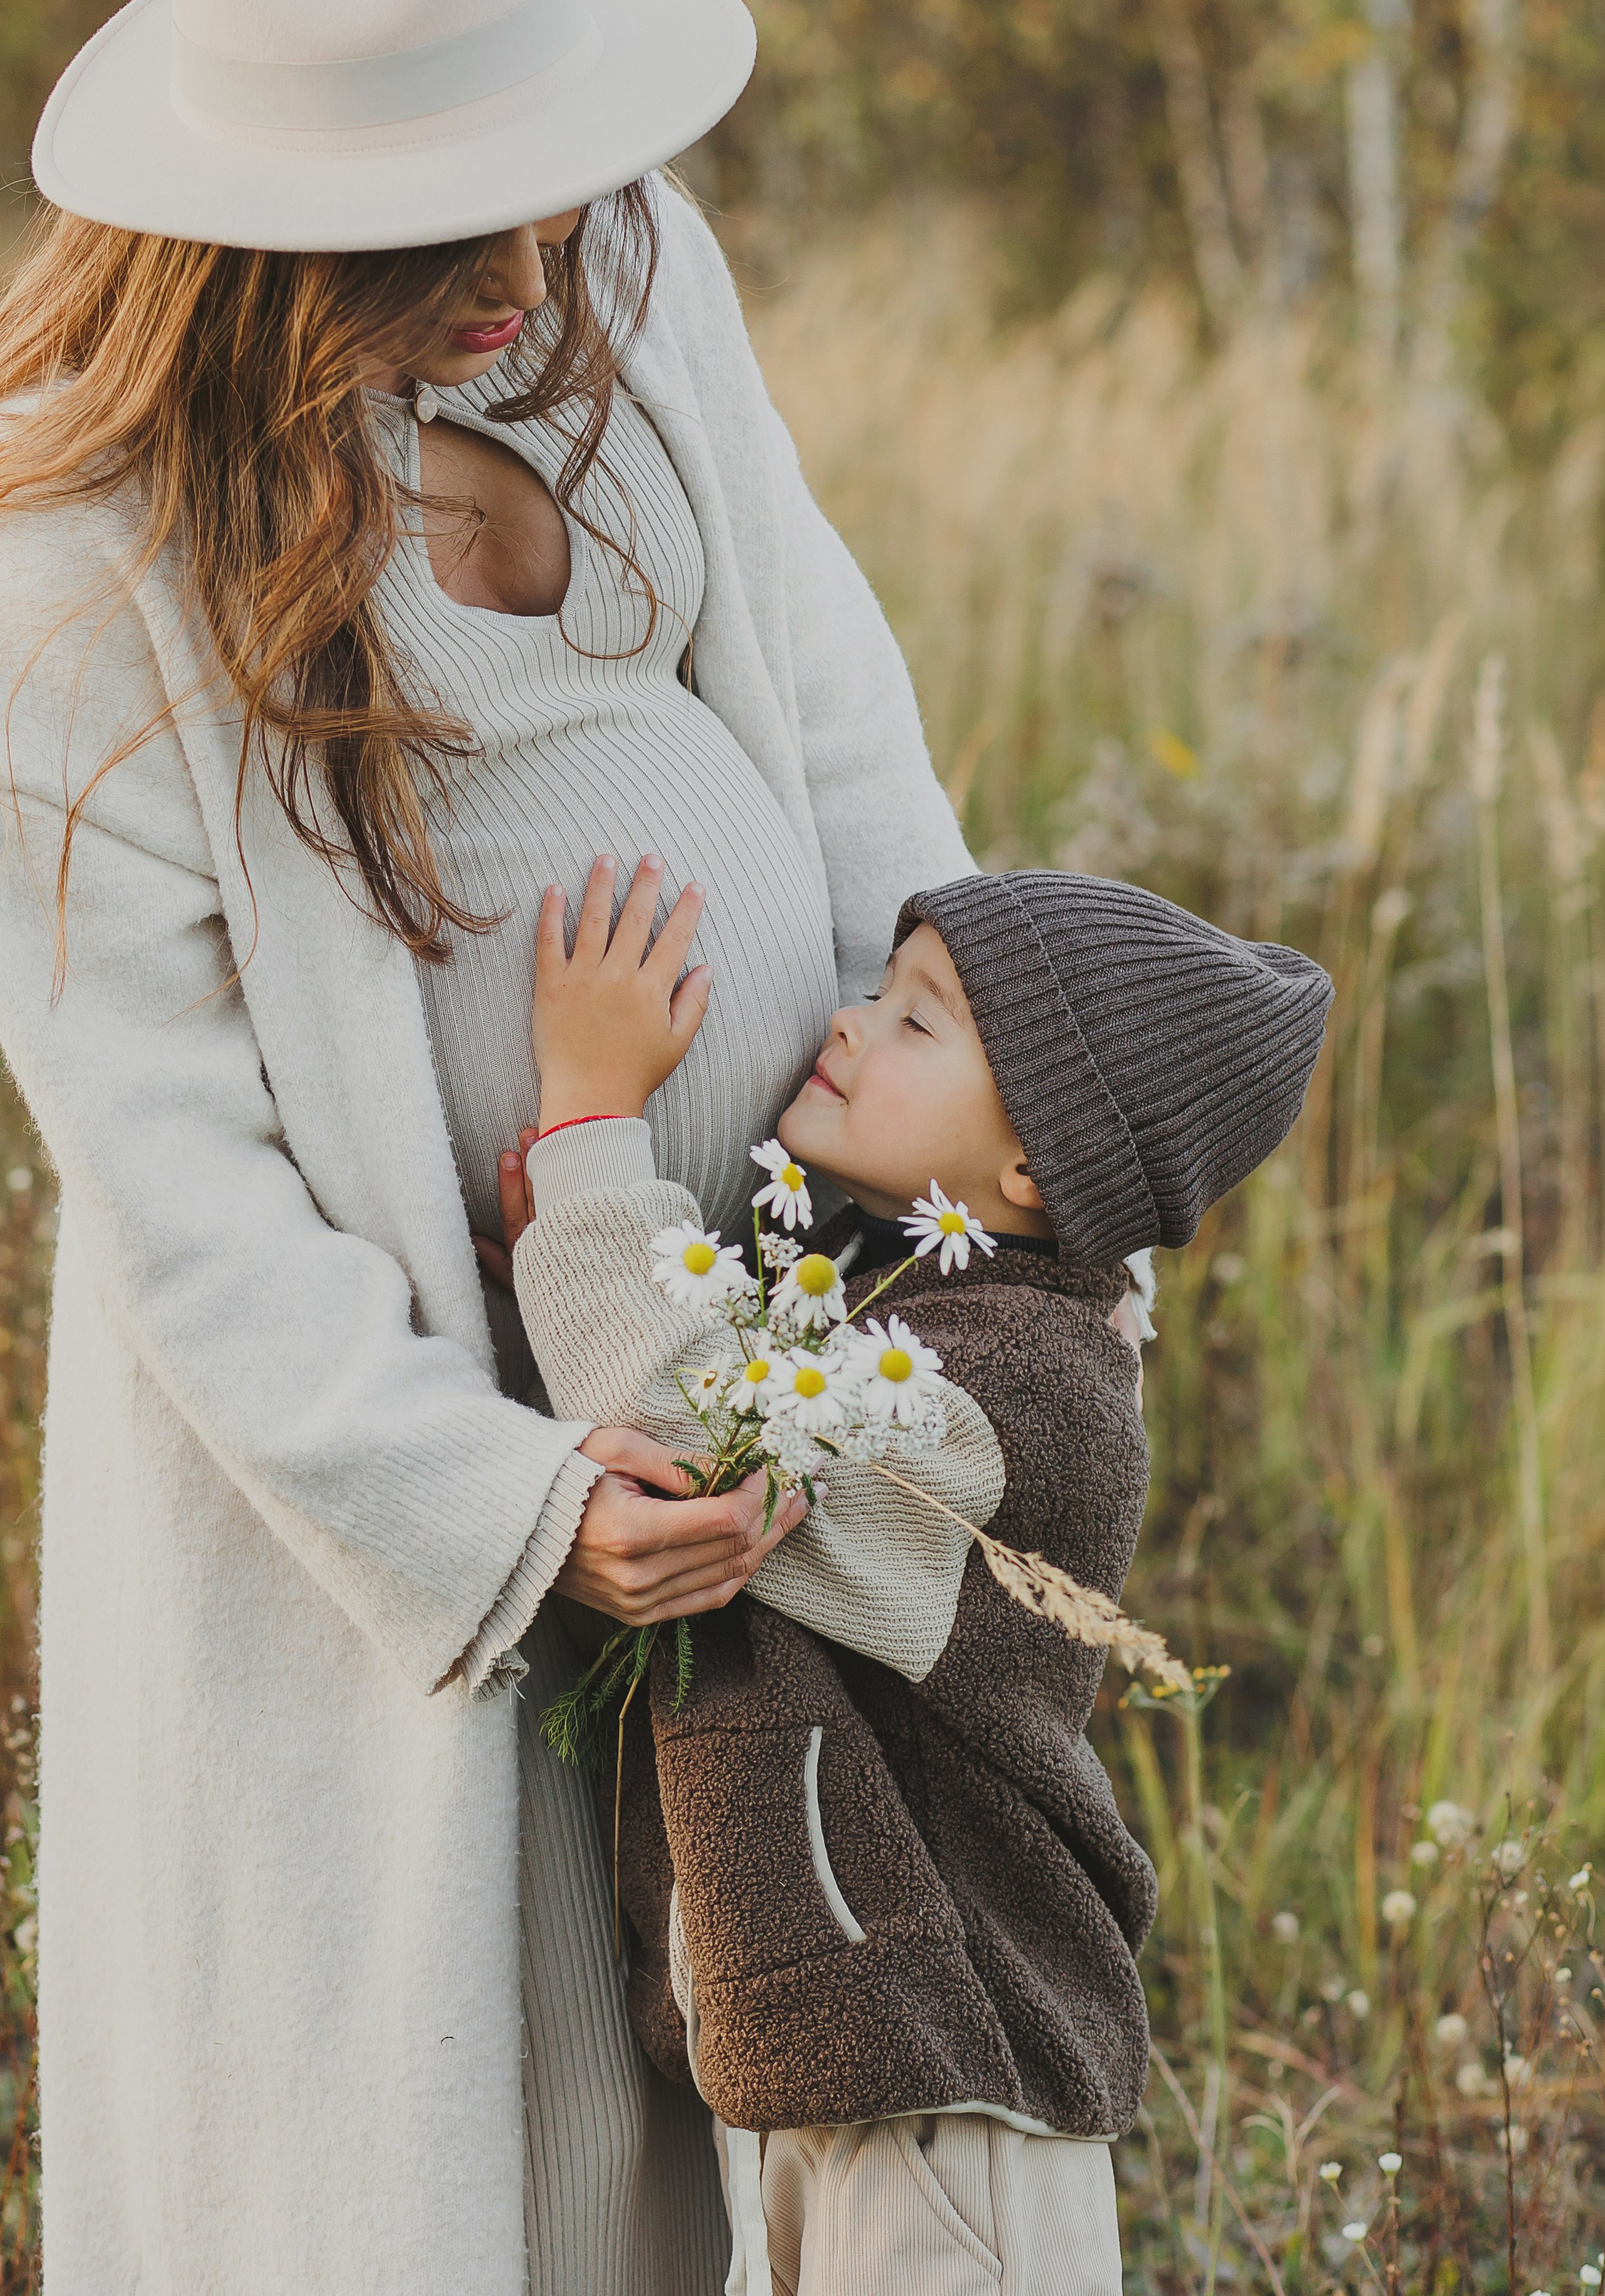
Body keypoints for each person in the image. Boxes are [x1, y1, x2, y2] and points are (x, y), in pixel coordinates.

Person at [0, 0, 973, 2293]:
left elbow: (847, 714)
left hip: (763, 1356)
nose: (527, 261)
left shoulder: (632, 280)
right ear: (253, 243)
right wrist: (515, 1502)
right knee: (486, 2171)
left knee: (796, 2124)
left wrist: (978, 1146)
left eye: (549, 182)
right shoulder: (67, 575)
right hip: (415, 1496)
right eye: (449, 230)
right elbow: (183, 1197)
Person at [499, 861, 1333, 2293]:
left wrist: (590, 1123)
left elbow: (690, 1426)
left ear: (1035, 1170)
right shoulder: (906, 1311)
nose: (846, 1021)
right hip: (849, 2062)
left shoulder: (1011, 1398)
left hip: (949, 2088)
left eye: (917, 1022)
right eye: (880, 991)